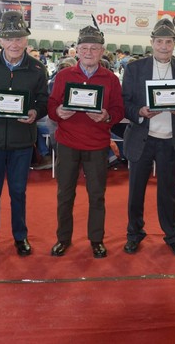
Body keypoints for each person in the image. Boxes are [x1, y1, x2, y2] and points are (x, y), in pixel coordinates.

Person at [0, 11, 48, 258]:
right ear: (0, 41)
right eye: (9, 38)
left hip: (22, 140)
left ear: (26, 39)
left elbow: (44, 99)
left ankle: (20, 236)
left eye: (19, 38)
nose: (15, 43)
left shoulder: (37, 68)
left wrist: (36, 111)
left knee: (18, 191)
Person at [47, 24, 124, 259]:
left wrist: (107, 116)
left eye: (94, 48)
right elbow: (50, 106)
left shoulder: (110, 79)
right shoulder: (64, 76)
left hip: (98, 145)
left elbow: (118, 110)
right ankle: (63, 239)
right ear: (77, 51)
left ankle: (97, 240)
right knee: (65, 194)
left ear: (102, 52)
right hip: (68, 143)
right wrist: (59, 111)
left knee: (97, 195)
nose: (89, 52)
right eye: (84, 48)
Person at [122, 18, 175, 257]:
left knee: (169, 192)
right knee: (136, 192)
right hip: (143, 136)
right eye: (160, 41)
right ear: (152, 42)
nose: (164, 46)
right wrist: (140, 112)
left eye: (169, 41)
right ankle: (134, 234)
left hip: (170, 139)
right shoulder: (135, 68)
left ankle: (173, 236)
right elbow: (125, 103)